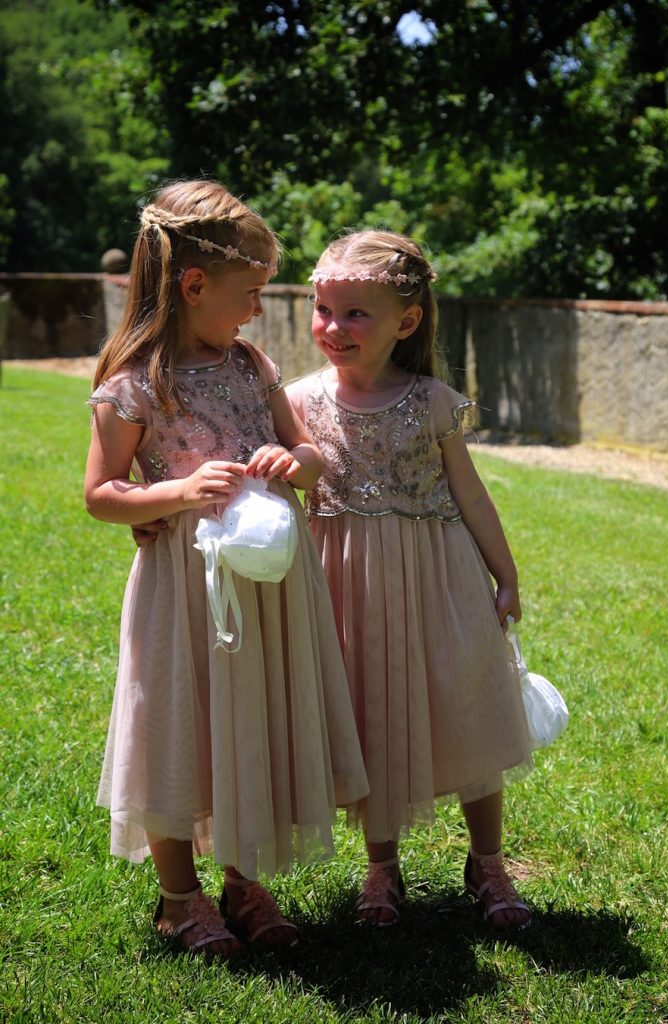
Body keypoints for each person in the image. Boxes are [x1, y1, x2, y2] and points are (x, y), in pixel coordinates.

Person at [84, 180, 368, 960]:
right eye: (250, 292)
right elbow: (102, 495)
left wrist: (294, 459)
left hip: (269, 584)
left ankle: (244, 880)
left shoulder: (251, 364)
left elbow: (311, 457)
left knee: (252, 721)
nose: (257, 309)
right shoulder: (135, 383)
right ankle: (180, 898)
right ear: (194, 285)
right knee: (180, 726)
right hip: (186, 590)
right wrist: (177, 490)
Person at [286, 230, 534, 930]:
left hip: (439, 580)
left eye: (355, 313)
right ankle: (381, 867)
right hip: (345, 586)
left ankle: (487, 861)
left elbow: (472, 494)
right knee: (372, 713)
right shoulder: (298, 402)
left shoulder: (434, 402)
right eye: (323, 309)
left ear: (408, 320)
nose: (334, 328)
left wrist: (505, 576)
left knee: (465, 703)